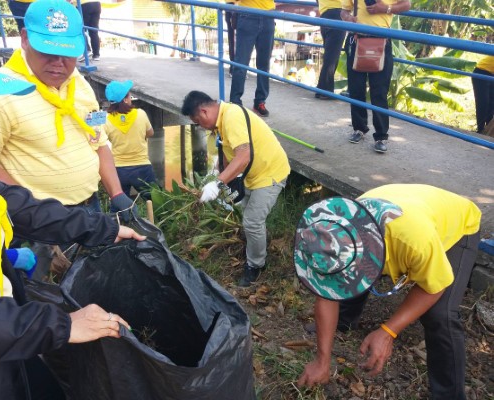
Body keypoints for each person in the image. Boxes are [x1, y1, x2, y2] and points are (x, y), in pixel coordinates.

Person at [0, 18, 146, 399]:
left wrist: (102, 226)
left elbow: (13, 203)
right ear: (25, 39)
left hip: (4, 334)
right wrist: (60, 325)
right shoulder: (4, 101)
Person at [294, 184, 481, 400]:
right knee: (344, 276)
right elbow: (327, 294)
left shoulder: (413, 242)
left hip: (457, 224)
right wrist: (322, 360)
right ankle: (344, 320)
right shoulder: (331, 233)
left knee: (440, 314)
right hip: (412, 206)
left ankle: (450, 395)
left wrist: (388, 331)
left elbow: (434, 288)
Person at [0, 0, 137, 221]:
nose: (58, 62)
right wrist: (33, 210)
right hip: (40, 221)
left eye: (67, 53)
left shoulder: (79, 83)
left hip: (90, 207)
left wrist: (117, 193)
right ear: (25, 38)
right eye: (47, 50)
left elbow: (98, 142)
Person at [181, 91, 290, 287]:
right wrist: (217, 171)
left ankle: (255, 266)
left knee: (252, 222)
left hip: (270, 173)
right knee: (248, 215)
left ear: (204, 112)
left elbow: (243, 156)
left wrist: (218, 183)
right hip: (253, 174)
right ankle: (258, 245)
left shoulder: (231, 117)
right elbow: (228, 149)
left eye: (198, 122)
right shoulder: (222, 120)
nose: (201, 127)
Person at [341, 0, 411, 153]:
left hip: (381, 40)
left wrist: (385, 8)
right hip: (357, 39)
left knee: (379, 92)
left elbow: (406, 4)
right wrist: (348, 18)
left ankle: (381, 136)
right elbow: (343, 11)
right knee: (356, 89)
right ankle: (359, 128)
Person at [104, 80, 156, 201]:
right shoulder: (141, 114)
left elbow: (100, 140)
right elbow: (151, 133)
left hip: (119, 170)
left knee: (120, 206)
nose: (130, 97)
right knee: (155, 203)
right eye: (129, 95)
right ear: (125, 100)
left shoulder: (106, 119)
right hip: (142, 167)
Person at [229, 0, 275, 117]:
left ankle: (260, 101)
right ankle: (235, 102)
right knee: (241, 63)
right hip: (248, 15)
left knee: (264, 64)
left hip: (268, 15)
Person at [315, 0, 346, 100]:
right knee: (332, 58)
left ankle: (321, 89)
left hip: (324, 14)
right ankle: (325, 91)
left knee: (330, 55)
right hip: (338, 14)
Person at [471, 55, 494, 134]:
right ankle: (480, 130)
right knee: (483, 103)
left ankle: (488, 131)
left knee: (491, 104)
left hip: (491, 73)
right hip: (481, 71)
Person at [225, 1, 237, 76]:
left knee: (241, 42)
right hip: (232, 6)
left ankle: (238, 68)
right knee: (233, 40)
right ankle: (233, 68)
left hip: (243, 6)